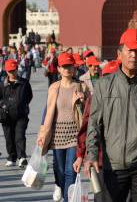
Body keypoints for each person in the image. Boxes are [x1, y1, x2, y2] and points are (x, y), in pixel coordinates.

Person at [85, 29, 137, 202]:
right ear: (119, 53)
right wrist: (92, 155)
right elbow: (94, 124)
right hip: (112, 166)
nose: (134, 55)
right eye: (129, 50)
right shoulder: (104, 85)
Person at [38, 52, 87, 202]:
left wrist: (83, 101)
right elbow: (47, 111)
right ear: (58, 68)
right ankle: (58, 185)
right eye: (64, 66)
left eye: (69, 66)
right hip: (57, 136)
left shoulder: (81, 87)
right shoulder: (54, 88)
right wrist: (42, 133)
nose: (67, 69)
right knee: (59, 170)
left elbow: (88, 113)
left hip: (74, 136)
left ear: (74, 68)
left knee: (70, 172)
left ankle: (68, 199)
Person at [73, 61, 118, 202]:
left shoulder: (127, 99)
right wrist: (80, 155)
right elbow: (86, 127)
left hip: (125, 160)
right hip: (100, 158)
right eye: (106, 77)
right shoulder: (95, 98)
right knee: (102, 195)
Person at [0, 59, 33, 168]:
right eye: (10, 71)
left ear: (17, 69)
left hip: (21, 115)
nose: (12, 73)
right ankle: (11, 157)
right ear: (6, 71)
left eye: (14, 70)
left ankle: (22, 157)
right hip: (6, 116)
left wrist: (22, 105)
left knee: (20, 136)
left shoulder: (24, 83)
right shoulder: (3, 84)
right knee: (9, 137)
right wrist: (3, 105)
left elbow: (29, 96)